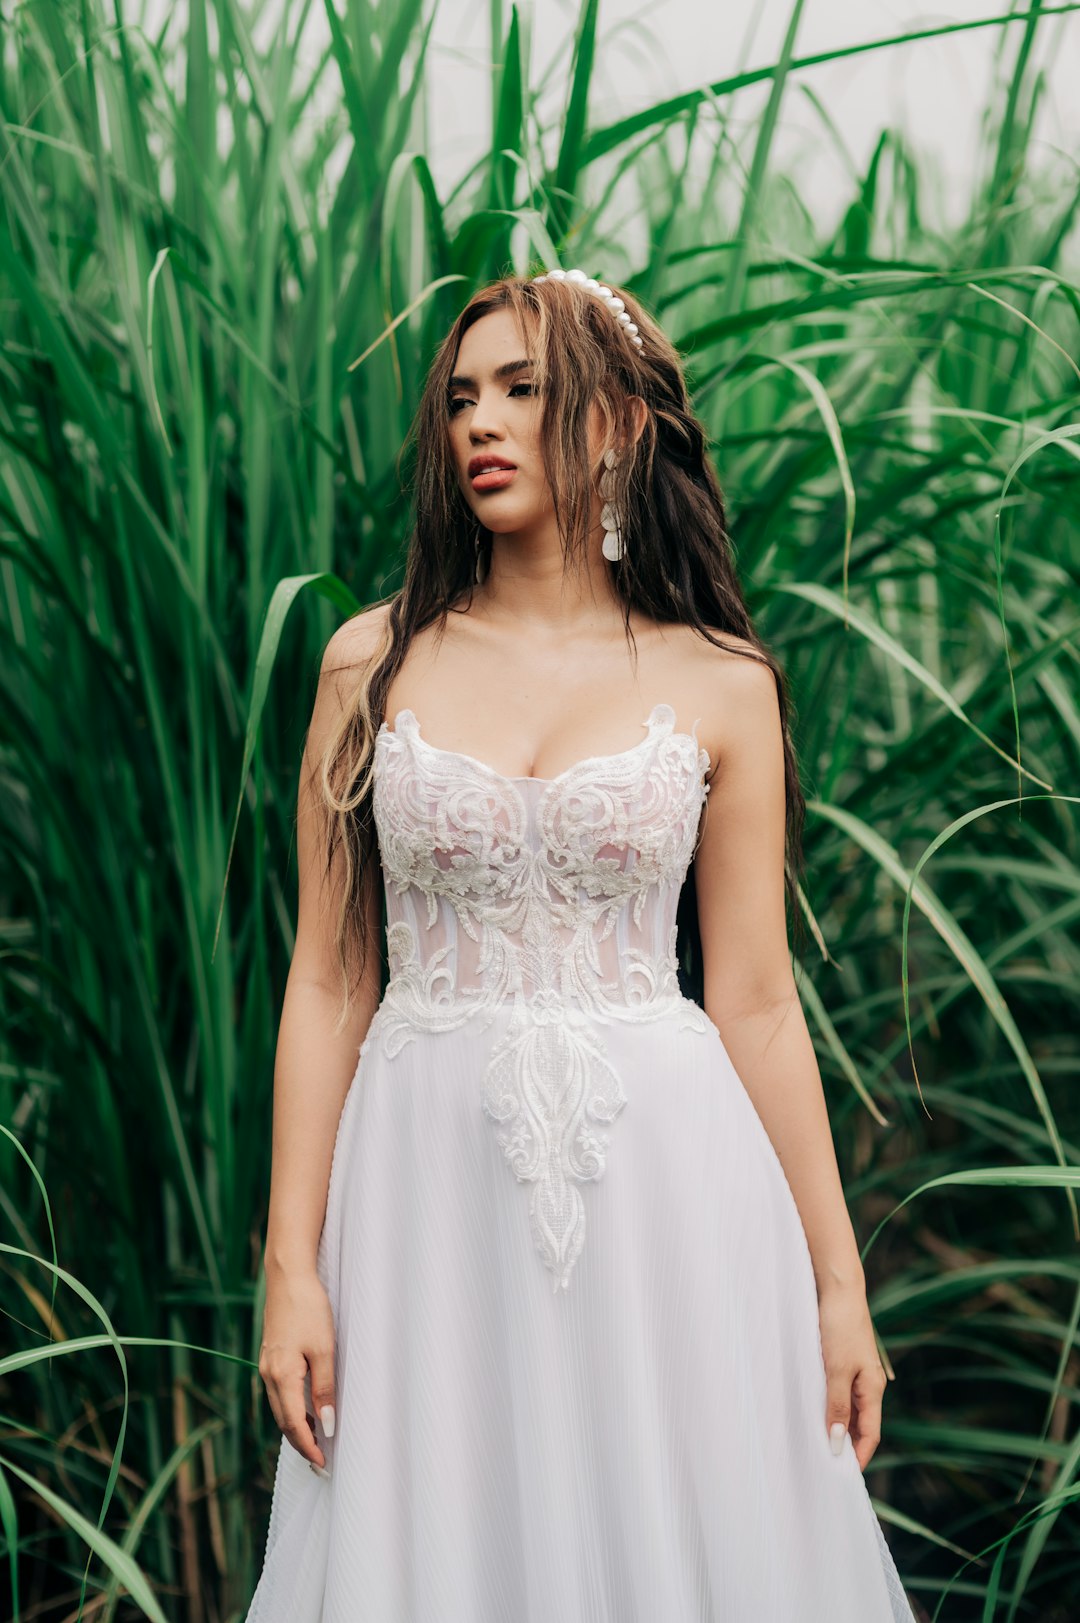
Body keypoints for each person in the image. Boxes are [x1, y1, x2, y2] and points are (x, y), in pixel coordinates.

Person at [246, 269, 919, 1621]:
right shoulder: (366, 664)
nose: (478, 423)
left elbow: (758, 1003)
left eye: (522, 389)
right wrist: (291, 1268)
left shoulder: (721, 680)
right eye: (459, 398)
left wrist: (838, 1287)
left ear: (613, 425)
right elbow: (327, 981)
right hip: (425, 1186)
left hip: (669, 1185)